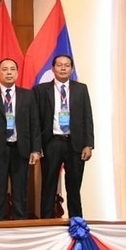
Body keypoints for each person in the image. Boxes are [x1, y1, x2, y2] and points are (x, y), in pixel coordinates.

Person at [0, 58, 41, 221]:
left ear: (17, 73)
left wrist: (35, 149)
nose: (8, 72)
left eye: (12, 69)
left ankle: (20, 222)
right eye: (5, 69)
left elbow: (34, 123)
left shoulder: (28, 95)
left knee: (20, 189)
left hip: (21, 148)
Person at [33, 54, 94, 219]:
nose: (63, 68)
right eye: (59, 65)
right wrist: (37, 146)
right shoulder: (40, 90)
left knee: (74, 187)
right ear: (53, 69)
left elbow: (87, 117)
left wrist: (88, 144)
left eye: (67, 65)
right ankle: (46, 223)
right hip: (51, 143)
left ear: (72, 69)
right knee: (49, 185)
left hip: (75, 144)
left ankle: (76, 223)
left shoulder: (81, 89)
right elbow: (35, 120)